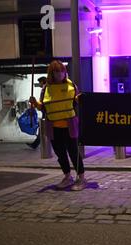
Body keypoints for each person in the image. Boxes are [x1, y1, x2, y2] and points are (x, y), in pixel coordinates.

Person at [29, 60, 87, 191]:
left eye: (62, 71)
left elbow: (77, 102)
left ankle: (82, 178)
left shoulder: (72, 85)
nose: (60, 73)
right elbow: (43, 107)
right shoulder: (46, 89)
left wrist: (82, 99)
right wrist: (35, 103)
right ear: (52, 73)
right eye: (56, 71)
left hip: (69, 126)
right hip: (53, 128)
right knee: (60, 154)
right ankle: (67, 177)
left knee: (73, 153)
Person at [26, 76, 47, 149]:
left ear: (42, 81)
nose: (39, 84)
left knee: (42, 130)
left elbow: (43, 104)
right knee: (42, 130)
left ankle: (35, 144)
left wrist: (35, 103)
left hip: (47, 113)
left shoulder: (45, 89)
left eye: (39, 82)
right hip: (46, 112)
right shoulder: (46, 89)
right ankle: (35, 144)